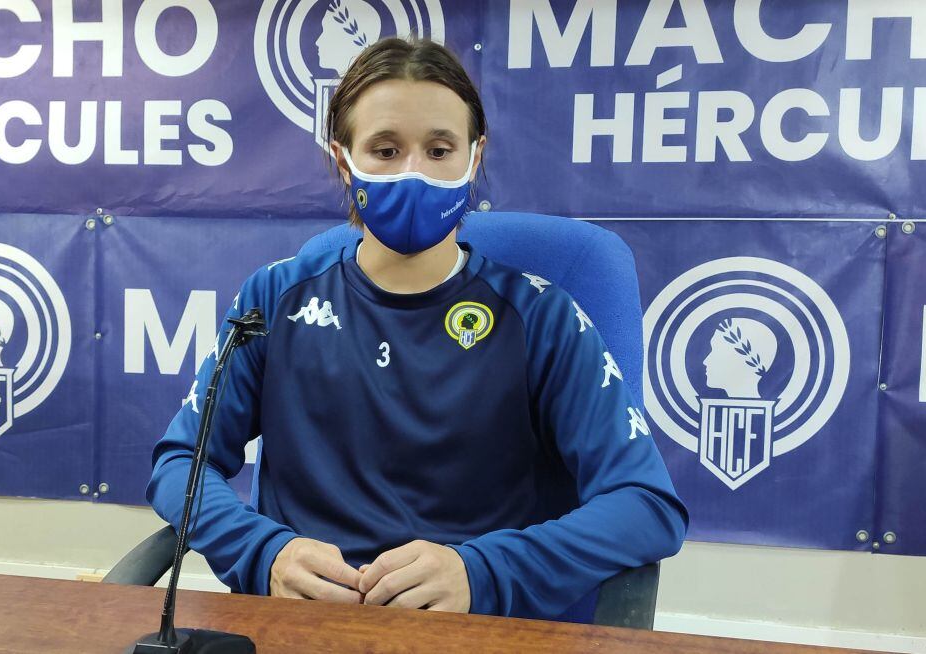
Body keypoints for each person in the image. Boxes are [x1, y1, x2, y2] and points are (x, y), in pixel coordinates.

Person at [147, 35, 688, 621]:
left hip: (469, 627)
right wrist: (261, 552)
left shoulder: (543, 318)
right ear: (342, 158)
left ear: (473, 159)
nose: (413, 174)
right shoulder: (276, 298)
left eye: (438, 150)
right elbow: (181, 463)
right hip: (302, 626)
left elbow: (646, 504)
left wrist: (484, 572)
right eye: (384, 149)